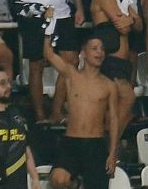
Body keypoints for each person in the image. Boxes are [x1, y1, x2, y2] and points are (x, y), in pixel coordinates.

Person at [44, 28, 122, 189]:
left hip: (96, 143)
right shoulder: (71, 75)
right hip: (71, 141)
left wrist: (113, 152)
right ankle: (76, 184)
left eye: (102, 49)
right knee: (58, 179)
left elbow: (114, 119)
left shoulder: (109, 85)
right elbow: (49, 54)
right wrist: (49, 29)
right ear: (84, 53)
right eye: (94, 48)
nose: (99, 52)